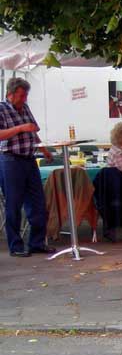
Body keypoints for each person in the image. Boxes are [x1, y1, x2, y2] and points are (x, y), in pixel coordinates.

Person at [0, 77, 56, 257]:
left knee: (37, 201)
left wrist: (44, 150)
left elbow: (33, 131)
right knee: (14, 203)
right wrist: (21, 128)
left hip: (29, 158)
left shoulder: (25, 108)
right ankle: (16, 246)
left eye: (25, 96)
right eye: (21, 96)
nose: (24, 99)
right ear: (10, 94)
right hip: (10, 160)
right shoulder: (2, 109)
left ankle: (37, 243)